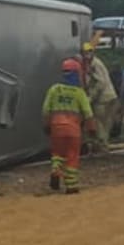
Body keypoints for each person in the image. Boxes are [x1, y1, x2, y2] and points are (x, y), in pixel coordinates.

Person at [42, 58, 96, 194]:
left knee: (57, 153)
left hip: (56, 128)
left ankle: (55, 170)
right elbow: (88, 114)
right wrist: (91, 129)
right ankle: (71, 186)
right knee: (72, 156)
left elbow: (45, 110)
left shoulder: (54, 89)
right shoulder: (79, 93)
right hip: (73, 131)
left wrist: (47, 125)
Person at [81, 42, 118, 153]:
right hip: (109, 97)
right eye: (85, 52)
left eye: (89, 52)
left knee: (100, 123)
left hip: (103, 99)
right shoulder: (93, 63)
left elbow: (100, 82)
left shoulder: (94, 64)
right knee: (104, 124)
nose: (87, 54)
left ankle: (102, 146)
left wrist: (91, 97)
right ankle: (103, 145)